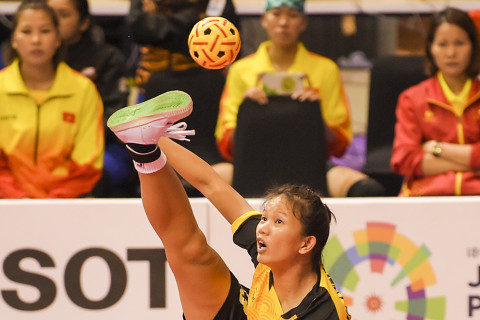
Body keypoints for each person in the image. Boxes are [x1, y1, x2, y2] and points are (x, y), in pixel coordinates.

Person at [107, 90, 351, 319]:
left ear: (306, 244)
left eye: (278, 221)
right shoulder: (271, 252)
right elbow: (210, 183)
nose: (263, 227)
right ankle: (143, 152)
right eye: (265, 218)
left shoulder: (324, 311)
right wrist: (151, 139)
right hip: (250, 312)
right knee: (192, 253)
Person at [214, 0, 384, 197]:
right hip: (251, 165)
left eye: (292, 15)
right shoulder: (240, 70)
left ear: (303, 22)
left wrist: (311, 113)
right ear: (264, 20)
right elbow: (226, 142)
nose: (284, 22)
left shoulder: (325, 69)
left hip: (312, 164)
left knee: (366, 189)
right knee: (195, 183)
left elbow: (339, 143)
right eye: (276, 14)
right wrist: (248, 112)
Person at [127, 0, 241, 191]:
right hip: (153, 93)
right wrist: (193, 21)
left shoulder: (217, 1)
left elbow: (227, 40)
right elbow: (142, 30)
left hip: (208, 95)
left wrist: (162, 24)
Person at [0, 0, 104, 198]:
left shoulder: (83, 89)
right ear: (14, 39)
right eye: (26, 31)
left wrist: (54, 202)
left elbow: (88, 162)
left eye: (45, 31)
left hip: (68, 201)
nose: (36, 39)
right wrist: (20, 200)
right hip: (7, 202)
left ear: (58, 38)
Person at [48, 0, 133, 197]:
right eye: (50, 14)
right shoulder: (35, 61)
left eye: (63, 14)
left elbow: (115, 117)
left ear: (84, 22)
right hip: (45, 145)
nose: (54, 21)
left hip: (102, 145)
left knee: (91, 178)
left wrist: (72, 143)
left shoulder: (108, 58)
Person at [391, 7, 480, 196]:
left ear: (473, 46)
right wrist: (472, 166)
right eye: (442, 44)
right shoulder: (412, 98)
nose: (451, 52)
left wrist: (437, 149)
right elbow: (405, 159)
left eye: (459, 43)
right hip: (426, 195)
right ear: (431, 48)